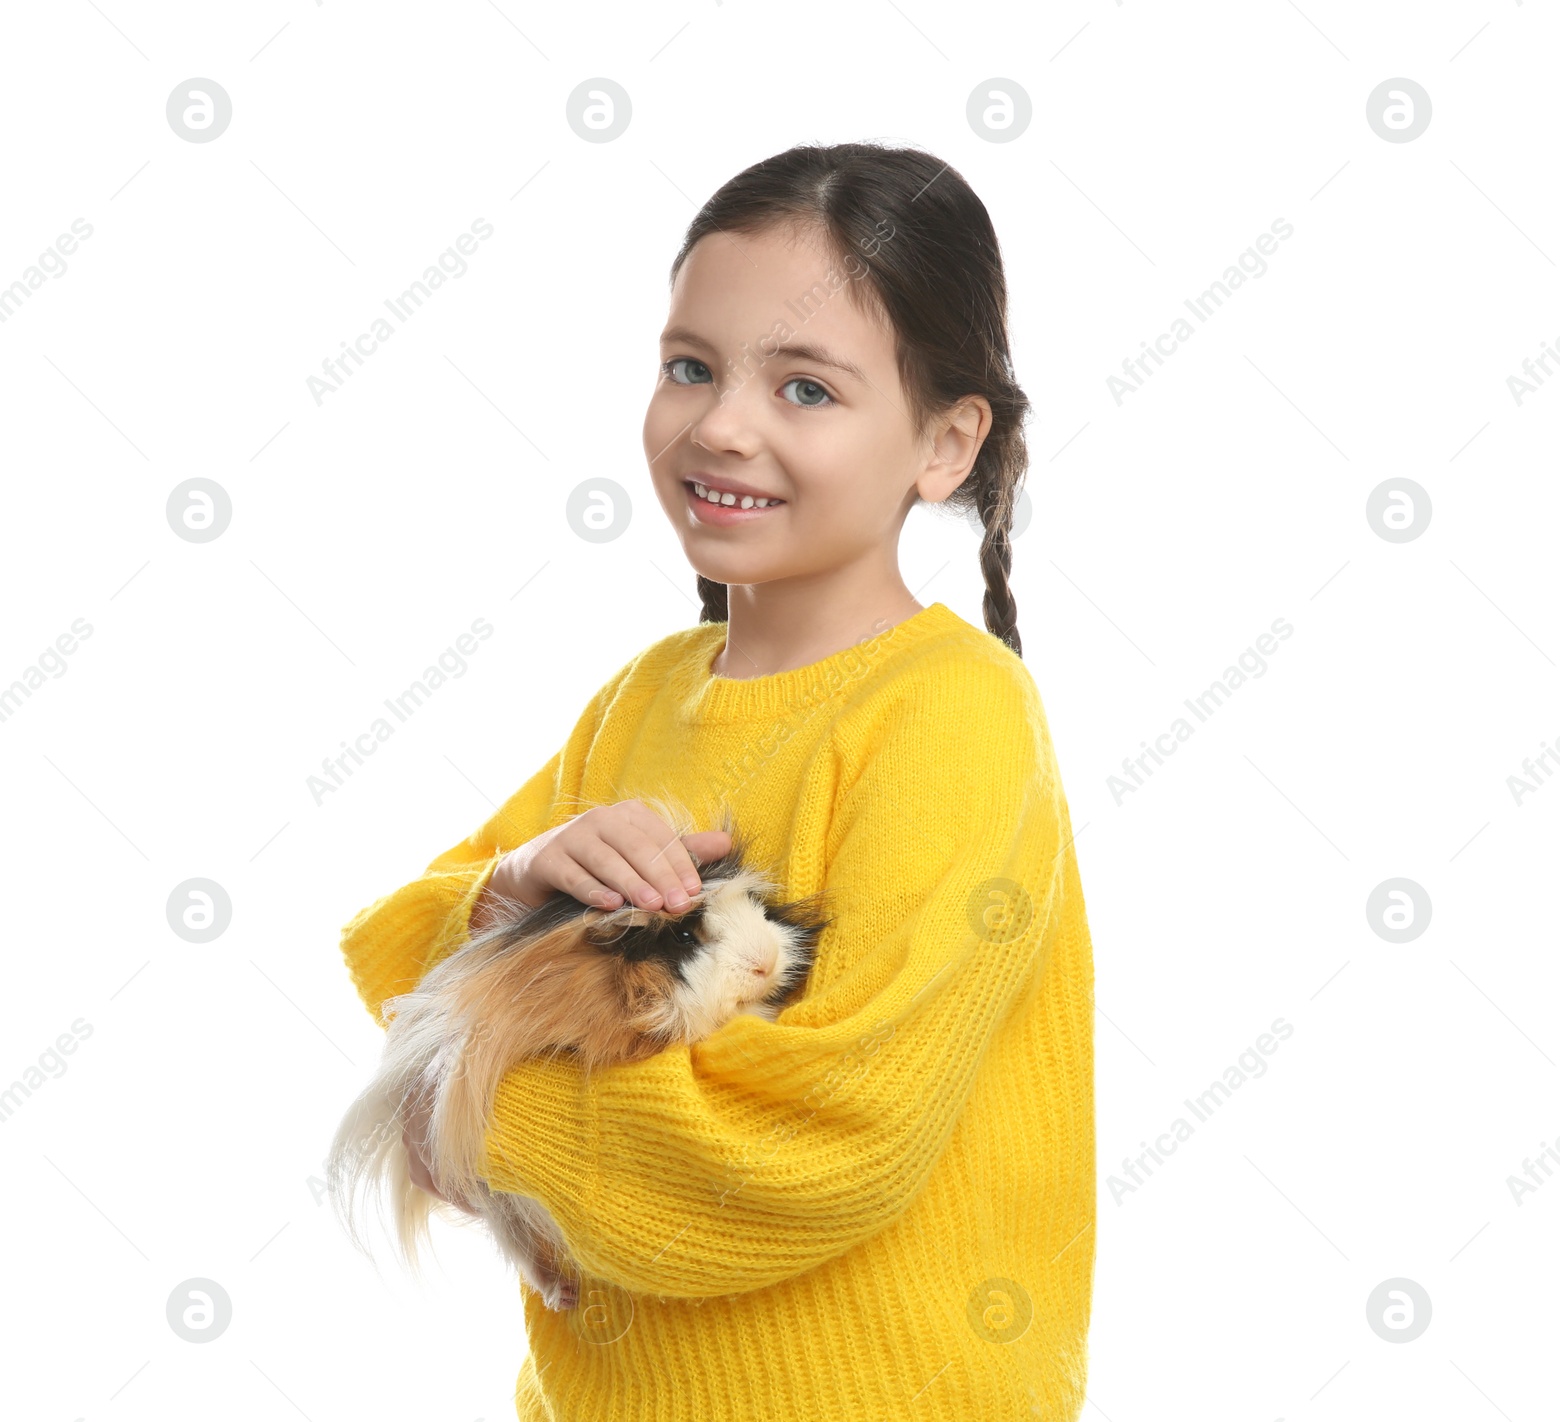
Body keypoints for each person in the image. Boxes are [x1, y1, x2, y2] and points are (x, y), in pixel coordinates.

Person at [337, 140, 1096, 1421]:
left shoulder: (951, 715)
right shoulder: (648, 694)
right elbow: (397, 952)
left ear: (945, 442)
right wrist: (511, 886)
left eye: (805, 388)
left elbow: (818, 1148)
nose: (721, 424)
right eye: (690, 366)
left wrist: (461, 1116)